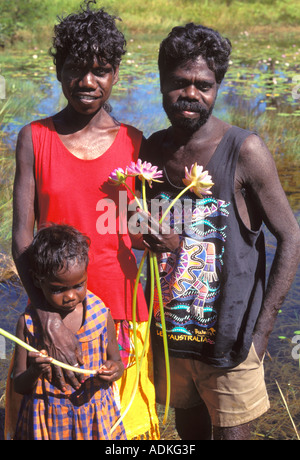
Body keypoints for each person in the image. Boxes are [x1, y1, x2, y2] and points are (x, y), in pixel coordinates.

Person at [139, 23, 300, 440]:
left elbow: (291, 237)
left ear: (217, 87)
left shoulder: (245, 151)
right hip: (171, 334)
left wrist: (261, 333)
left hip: (232, 340)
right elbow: (138, 223)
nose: (190, 94)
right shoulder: (152, 151)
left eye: (203, 85)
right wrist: (155, 236)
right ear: (161, 82)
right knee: (188, 429)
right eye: (179, 83)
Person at [10, 1, 159, 440]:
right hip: (52, 306)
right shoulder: (34, 138)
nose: (87, 82)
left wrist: (157, 233)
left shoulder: (134, 142)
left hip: (123, 311)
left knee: (124, 430)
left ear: (115, 75)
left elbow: (134, 226)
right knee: (48, 421)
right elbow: (22, 237)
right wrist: (47, 317)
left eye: (101, 69)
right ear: (58, 70)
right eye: (76, 67)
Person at [13, 224, 126, 440]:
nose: (70, 296)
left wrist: (113, 371)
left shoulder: (101, 315)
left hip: (94, 418)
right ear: (37, 280)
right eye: (58, 289)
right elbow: (19, 384)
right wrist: (35, 370)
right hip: (48, 420)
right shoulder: (28, 323)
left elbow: (117, 362)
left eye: (78, 285)